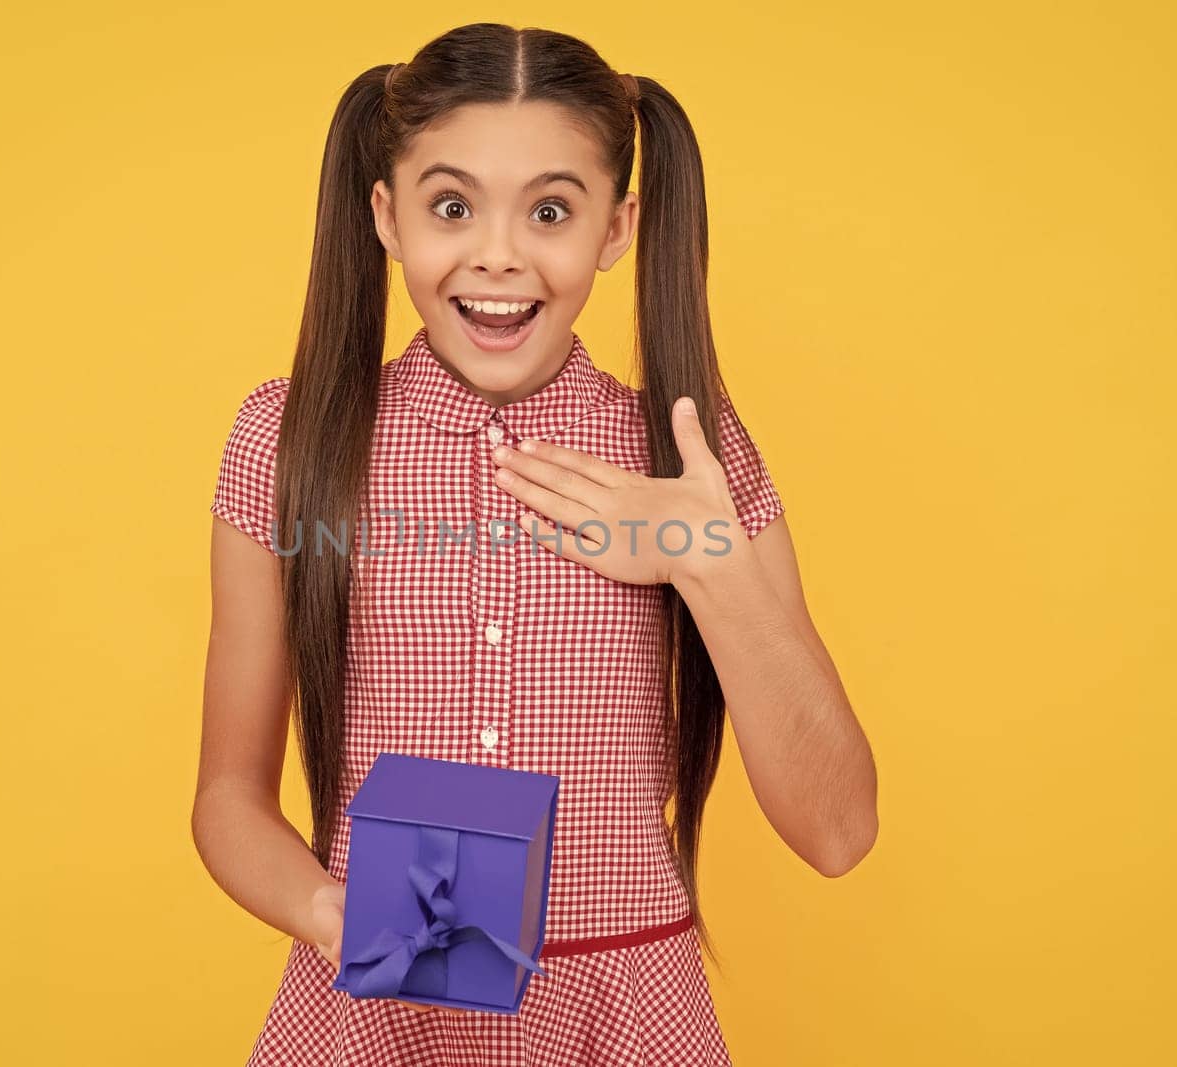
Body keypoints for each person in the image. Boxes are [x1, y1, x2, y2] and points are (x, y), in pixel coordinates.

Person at [193, 21, 878, 1066]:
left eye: (551, 209)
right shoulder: (289, 442)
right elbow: (228, 798)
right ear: (386, 215)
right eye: (451, 206)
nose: (499, 254)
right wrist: (340, 916)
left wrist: (707, 558)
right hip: (377, 1012)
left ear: (615, 227)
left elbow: (837, 832)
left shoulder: (690, 461)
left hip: (628, 1016)